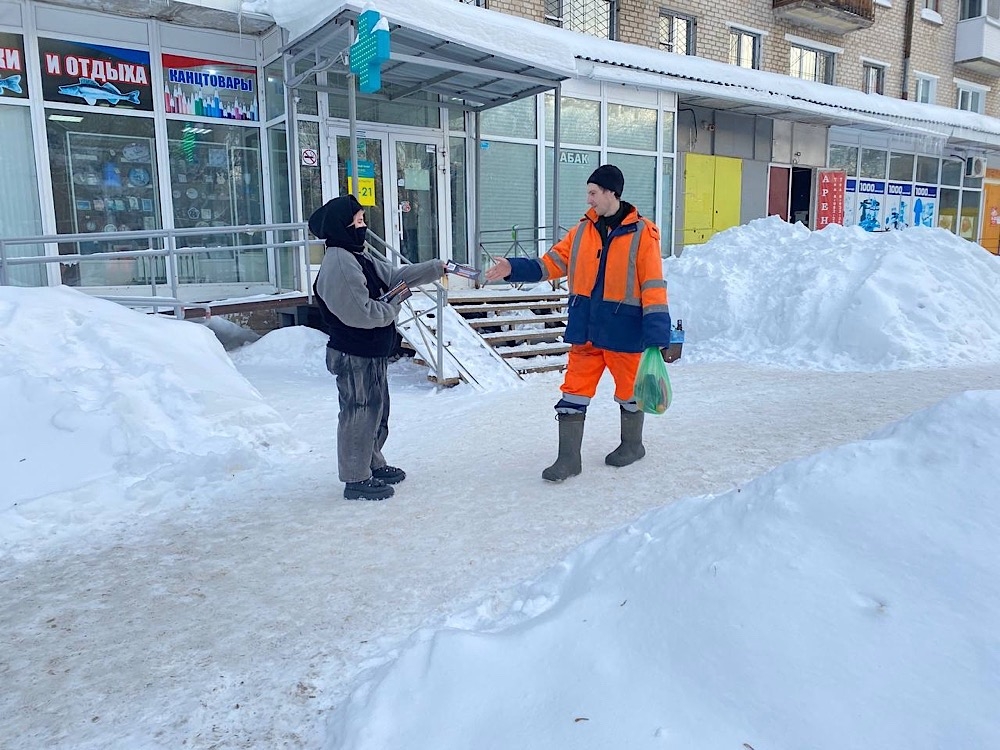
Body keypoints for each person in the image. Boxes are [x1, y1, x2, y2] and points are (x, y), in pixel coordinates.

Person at [485, 164, 672, 482]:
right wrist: (513, 269)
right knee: (573, 392)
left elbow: (652, 284)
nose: (589, 200)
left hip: (624, 329)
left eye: (593, 193)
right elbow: (552, 263)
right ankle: (568, 459)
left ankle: (632, 445)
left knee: (630, 392)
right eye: (588, 193)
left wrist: (657, 333)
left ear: (612, 193)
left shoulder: (644, 233)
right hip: (586, 327)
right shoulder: (582, 230)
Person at [309, 194, 445, 500]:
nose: (364, 226)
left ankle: (371, 462)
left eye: (363, 220)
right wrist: (395, 303)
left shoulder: (358, 254)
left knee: (376, 410)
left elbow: (395, 277)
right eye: (358, 221)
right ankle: (356, 477)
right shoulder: (340, 264)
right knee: (359, 411)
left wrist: (436, 267)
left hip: (371, 351)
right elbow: (364, 313)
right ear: (342, 226)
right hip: (354, 352)